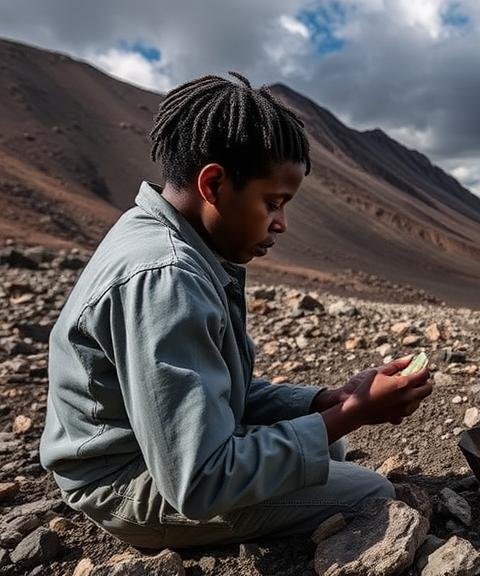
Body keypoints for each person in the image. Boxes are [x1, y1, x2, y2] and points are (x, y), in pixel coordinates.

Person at [39, 72, 433, 548]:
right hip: (129, 484)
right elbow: (198, 480)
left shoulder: (170, 239)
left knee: (327, 442)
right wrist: (353, 412)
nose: (282, 223)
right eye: (273, 203)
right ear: (214, 183)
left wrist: (324, 401)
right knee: (371, 492)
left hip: (157, 455)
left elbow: (216, 391)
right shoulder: (167, 277)